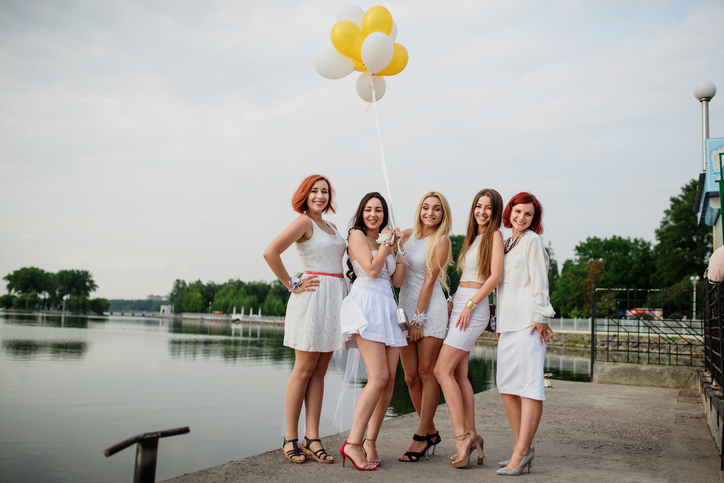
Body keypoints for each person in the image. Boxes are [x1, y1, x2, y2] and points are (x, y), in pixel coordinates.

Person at [263, 175, 347, 465]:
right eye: (315, 191)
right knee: (303, 369)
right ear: (305, 194)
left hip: (334, 300)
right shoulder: (303, 222)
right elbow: (270, 251)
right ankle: (290, 437)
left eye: (325, 191)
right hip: (311, 300)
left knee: (320, 372)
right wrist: (291, 283)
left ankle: (313, 437)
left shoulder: (332, 226)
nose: (320, 196)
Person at [433, 189, 504, 469]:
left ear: (495, 211)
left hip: (473, 310)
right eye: (478, 206)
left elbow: (495, 276)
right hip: (461, 305)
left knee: (441, 370)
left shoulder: (494, 236)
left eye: (488, 208)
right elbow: (468, 278)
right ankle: (473, 434)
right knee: (460, 374)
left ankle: (461, 437)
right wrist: (454, 302)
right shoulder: (473, 238)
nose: (482, 212)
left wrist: (471, 304)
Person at [338, 192, 406, 471]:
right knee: (378, 377)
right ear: (361, 213)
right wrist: (386, 245)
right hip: (366, 303)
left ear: (384, 214)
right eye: (368, 209)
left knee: (389, 381)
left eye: (379, 210)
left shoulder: (386, 242)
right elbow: (371, 269)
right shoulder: (356, 236)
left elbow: (397, 280)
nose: (373, 214)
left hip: (387, 306)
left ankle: (370, 441)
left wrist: (397, 249)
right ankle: (352, 443)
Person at [495, 192, 555, 476]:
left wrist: (542, 316)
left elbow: (540, 280)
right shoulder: (508, 243)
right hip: (508, 324)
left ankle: (520, 453)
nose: (521, 218)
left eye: (528, 214)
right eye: (518, 212)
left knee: (530, 387)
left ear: (534, 219)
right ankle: (523, 445)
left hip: (530, 324)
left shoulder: (532, 241)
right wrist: (498, 323)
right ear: (510, 212)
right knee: (506, 385)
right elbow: (502, 286)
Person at [396, 192, 453, 462]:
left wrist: (419, 320)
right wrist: (390, 241)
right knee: (409, 377)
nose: (430, 213)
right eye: (426, 207)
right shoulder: (406, 235)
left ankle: (420, 437)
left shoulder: (441, 241)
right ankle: (430, 431)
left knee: (425, 371)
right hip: (403, 310)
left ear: (443, 214)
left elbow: (430, 282)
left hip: (429, 311)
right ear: (420, 209)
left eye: (437, 209)